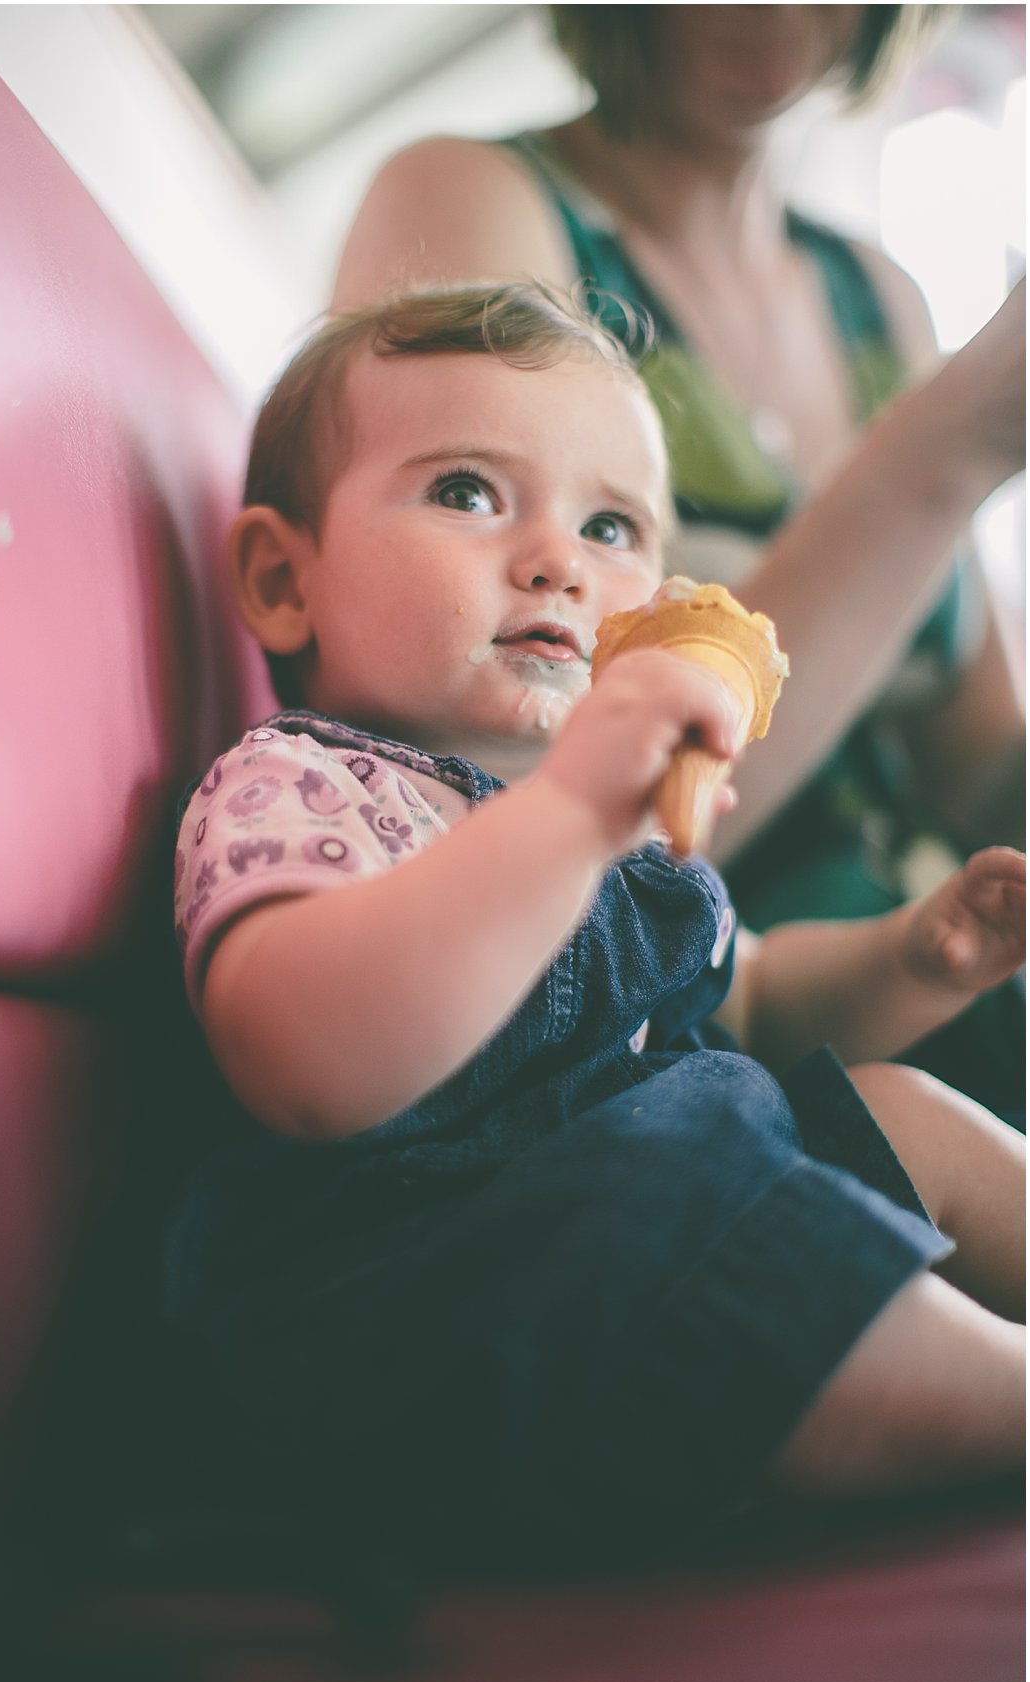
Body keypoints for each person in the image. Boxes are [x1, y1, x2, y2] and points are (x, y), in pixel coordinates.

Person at [165, 284, 1023, 1573]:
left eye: (612, 523)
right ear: (287, 581)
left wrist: (915, 956)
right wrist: (569, 815)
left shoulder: (616, 828)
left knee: (881, 1101)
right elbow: (309, 1062)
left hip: (644, 1244)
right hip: (430, 1316)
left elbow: (763, 1006)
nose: (560, 560)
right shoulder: (301, 786)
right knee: (687, 1191)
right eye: (466, 491)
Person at [331, 3, 1026, 1123]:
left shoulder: (879, 296)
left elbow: (979, 764)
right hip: (688, 1027)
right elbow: (523, 787)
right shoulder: (479, 200)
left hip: (928, 954)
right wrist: (945, 451)